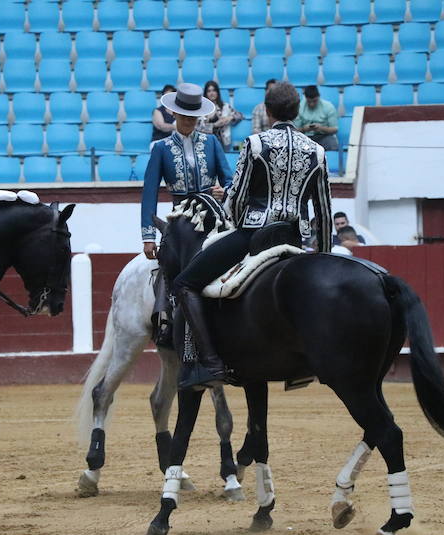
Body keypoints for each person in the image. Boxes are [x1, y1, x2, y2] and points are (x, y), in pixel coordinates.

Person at [173, 82, 333, 389]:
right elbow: (323, 212)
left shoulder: (256, 143)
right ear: (297, 111)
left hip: (254, 235)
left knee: (184, 283)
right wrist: (322, 258)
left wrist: (229, 220)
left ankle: (209, 364)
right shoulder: (318, 150)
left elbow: (237, 202)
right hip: (295, 240)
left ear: (268, 111)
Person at [140, 82, 234, 260]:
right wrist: (148, 236)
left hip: (213, 216)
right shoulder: (161, 148)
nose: (189, 120)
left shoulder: (212, 142)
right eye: (184, 115)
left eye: (193, 116)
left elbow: (228, 181)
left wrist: (225, 192)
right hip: (179, 221)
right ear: (173, 112)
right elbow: (149, 193)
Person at [196, 80, 243, 152]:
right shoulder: (201, 109)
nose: (212, 93)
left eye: (214, 90)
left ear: (217, 92)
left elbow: (240, 115)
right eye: (209, 91)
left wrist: (230, 117)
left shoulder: (225, 106)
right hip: (204, 141)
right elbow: (197, 127)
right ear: (205, 93)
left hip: (221, 141)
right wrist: (214, 125)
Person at [295, 85, 339, 151]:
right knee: (296, 145)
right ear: (305, 98)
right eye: (309, 101)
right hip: (305, 137)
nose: (312, 104)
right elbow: (295, 130)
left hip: (323, 136)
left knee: (332, 143)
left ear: (318, 97)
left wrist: (321, 128)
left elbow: (335, 129)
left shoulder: (328, 107)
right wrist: (304, 129)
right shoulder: (299, 107)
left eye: (314, 101)